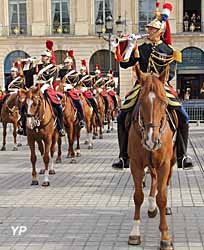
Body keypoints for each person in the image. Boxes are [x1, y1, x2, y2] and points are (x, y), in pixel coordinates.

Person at [112, 2, 193, 170]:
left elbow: (171, 73)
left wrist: (157, 80)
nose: (149, 31)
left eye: (152, 29)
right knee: (121, 117)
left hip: (161, 87)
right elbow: (126, 64)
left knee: (183, 118)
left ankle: (182, 155)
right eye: (148, 29)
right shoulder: (140, 48)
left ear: (160, 32)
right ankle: (123, 156)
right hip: (141, 87)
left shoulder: (169, 50)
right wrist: (128, 47)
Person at [59, 50, 85, 128]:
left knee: (78, 103)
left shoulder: (74, 73)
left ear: (71, 63)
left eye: (67, 63)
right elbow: (58, 80)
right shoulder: (61, 72)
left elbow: (76, 84)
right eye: (65, 63)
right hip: (62, 91)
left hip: (70, 90)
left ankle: (81, 119)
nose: (66, 64)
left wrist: (68, 86)